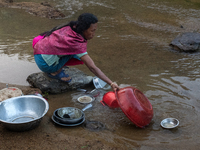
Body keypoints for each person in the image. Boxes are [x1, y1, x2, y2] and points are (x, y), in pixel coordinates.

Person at [33, 13, 119, 91]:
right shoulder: (75, 43)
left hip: (39, 51)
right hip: (45, 65)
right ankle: (55, 72)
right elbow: (92, 67)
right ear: (84, 29)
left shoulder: (71, 27)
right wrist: (111, 83)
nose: (94, 34)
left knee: (78, 54)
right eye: (92, 31)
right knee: (79, 56)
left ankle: (55, 64)